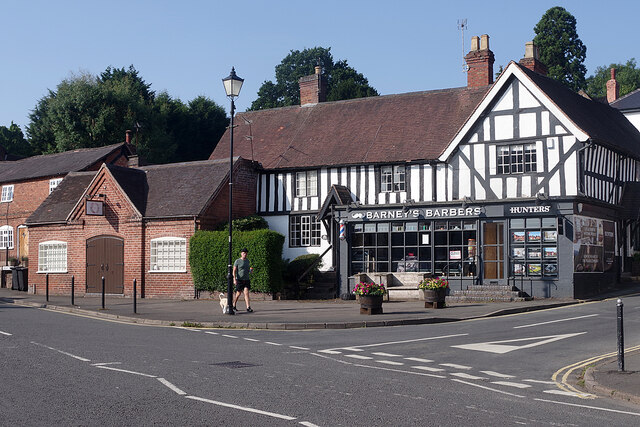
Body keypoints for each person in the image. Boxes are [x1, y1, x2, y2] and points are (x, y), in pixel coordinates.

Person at [233, 248, 253, 312]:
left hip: (246, 279)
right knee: (238, 293)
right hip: (239, 280)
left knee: (246, 293)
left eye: (246, 253)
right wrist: (234, 279)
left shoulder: (247, 261)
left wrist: (250, 271)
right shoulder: (237, 261)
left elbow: (247, 270)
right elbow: (234, 271)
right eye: (244, 253)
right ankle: (234, 305)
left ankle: (248, 307)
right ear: (241, 253)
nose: (245, 254)